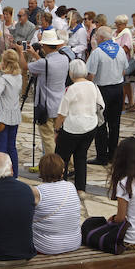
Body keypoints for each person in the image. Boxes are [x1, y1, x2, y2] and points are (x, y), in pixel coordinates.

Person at [54, 59, 104, 192]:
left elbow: (62, 114)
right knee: (81, 157)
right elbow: (101, 105)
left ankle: (61, 187)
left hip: (72, 127)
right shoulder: (93, 86)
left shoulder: (71, 89)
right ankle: (80, 189)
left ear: (71, 73)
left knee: (61, 158)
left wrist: (56, 130)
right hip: (90, 125)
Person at [23, 30, 70, 156]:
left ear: (45, 46)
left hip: (46, 106)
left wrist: (20, 51)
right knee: (62, 138)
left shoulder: (44, 63)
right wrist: (35, 55)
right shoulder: (64, 59)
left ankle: (52, 166)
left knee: (48, 139)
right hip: (60, 104)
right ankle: (67, 165)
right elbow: (44, 66)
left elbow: (25, 67)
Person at [86, 26, 128, 166]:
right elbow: (124, 71)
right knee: (114, 124)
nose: (95, 39)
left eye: (96, 37)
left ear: (102, 38)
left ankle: (102, 156)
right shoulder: (120, 50)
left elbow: (90, 74)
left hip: (102, 90)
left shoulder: (97, 52)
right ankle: (113, 155)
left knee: (101, 123)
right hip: (118, 89)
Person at [29, 154, 82, 254]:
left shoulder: (37, 192)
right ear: (62, 170)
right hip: (74, 242)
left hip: (47, 246)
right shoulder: (70, 186)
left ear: (41, 171)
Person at [0, 49, 23, 176]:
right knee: (12, 147)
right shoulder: (18, 77)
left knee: (1, 147)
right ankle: (14, 174)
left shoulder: (4, 79)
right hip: (14, 114)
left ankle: (0, 173)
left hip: (2, 115)